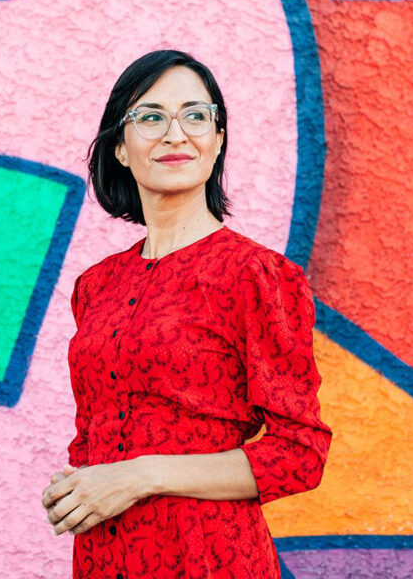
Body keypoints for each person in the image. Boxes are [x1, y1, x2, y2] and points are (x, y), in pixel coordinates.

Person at [40, 50, 333, 578]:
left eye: (196, 115)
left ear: (217, 140)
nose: (176, 133)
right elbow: (98, 434)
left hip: (208, 557)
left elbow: (299, 455)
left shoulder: (256, 275)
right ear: (122, 148)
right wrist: (78, 487)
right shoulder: (97, 285)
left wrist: (140, 475)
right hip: (104, 560)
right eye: (150, 117)